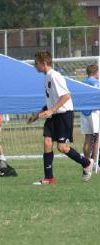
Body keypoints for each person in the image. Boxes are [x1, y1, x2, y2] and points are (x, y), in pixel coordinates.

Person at [28, 51, 93, 184]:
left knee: (62, 147)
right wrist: (37, 114)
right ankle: (49, 178)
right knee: (47, 142)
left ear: (44, 63)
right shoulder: (46, 77)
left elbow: (66, 96)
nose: (35, 66)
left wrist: (51, 110)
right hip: (54, 115)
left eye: (36, 63)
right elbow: (51, 102)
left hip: (63, 114)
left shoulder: (55, 76)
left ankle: (86, 163)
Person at [80, 64, 100, 169]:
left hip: (84, 112)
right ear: (95, 72)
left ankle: (87, 163)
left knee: (87, 138)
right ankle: (95, 163)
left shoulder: (82, 82)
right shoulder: (96, 83)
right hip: (94, 112)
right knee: (96, 138)